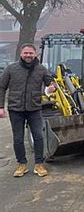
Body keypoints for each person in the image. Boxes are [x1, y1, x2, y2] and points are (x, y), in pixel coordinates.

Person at [0, 43, 56, 177]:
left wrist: (52, 86)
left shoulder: (41, 69)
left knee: (38, 136)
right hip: (15, 109)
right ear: (21, 53)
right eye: (26, 53)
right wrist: (1, 107)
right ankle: (22, 164)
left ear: (35, 54)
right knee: (18, 139)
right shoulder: (11, 69)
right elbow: (1, 87)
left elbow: (51, 82)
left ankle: (39, 164)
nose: (28, 55)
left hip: (34, 108)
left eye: (31, 53)